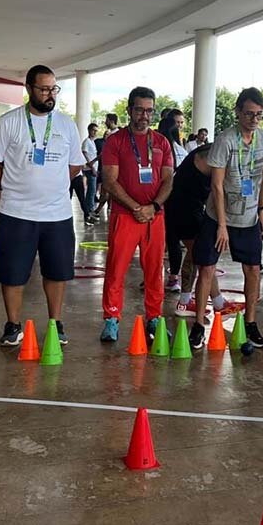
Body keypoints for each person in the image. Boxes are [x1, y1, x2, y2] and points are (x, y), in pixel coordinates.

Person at [0, 65, 85, 347]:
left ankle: (55, 323)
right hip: (17, 212)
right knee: (13, 273)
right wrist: (14, 185)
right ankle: (13, 325)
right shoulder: (9, 122)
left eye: (54, 89)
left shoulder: (66, 124)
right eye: (44, 89)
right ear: (29, 89)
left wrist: (51, 184)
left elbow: (75, 164)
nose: (50, 94)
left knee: (57, 271)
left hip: (58, 214)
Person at [188, 88, 263, 350]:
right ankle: (198, 325)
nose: (253, 119)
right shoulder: (225, 140)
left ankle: (250, 323)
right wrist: (222, 226)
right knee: (206, 269)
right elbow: (216, 185)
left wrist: (262, 210)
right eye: (248, 113)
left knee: (253, 270)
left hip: (249, 218)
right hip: (218, 217)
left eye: (259, 114)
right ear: (238, 112)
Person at [98, 87, 174, 342]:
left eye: (149, 110)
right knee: (116, 269)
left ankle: (154, 318)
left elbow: (168, 180)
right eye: (140, 109)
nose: (145, 115)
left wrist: (153, 207)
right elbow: (110, 181)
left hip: (154, 216)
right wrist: (135, 208)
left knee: (154, 270)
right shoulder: (115, 141)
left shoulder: (162, 142)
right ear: (129, 110)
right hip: (125, 215)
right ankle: (111, 319)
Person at [160, 116, 187, 291]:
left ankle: (151, 278)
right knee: (173, 241)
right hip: (178, 201)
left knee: (155, 241)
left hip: (158, 199)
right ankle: (173, 279)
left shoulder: (157, 149)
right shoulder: (182, 151)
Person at [81, 122, 100, 225]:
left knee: (92, 190)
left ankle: (90, 208)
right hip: (89, 169)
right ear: (89, 130)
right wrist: (92, 167)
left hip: (94, 168)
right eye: (93, 130)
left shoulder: (92, 142)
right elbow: (85, 154)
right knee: (91, 190)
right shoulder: (86, 142)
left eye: (96, 131)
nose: (95, 133)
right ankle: (89, 209)